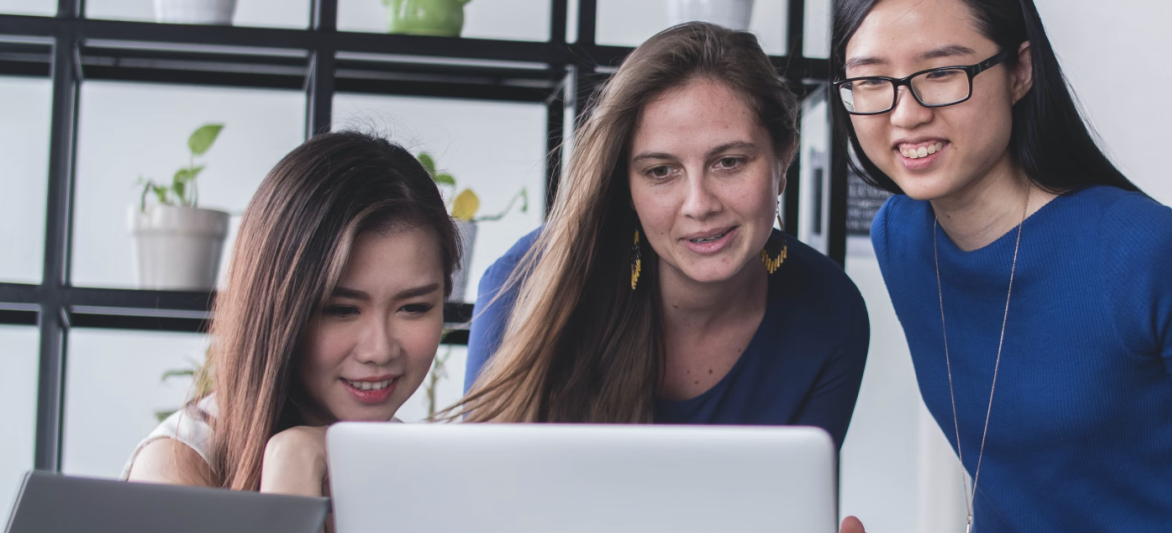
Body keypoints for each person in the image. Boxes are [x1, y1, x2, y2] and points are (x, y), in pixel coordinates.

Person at [833, 0, 1172, 531]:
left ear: (1020, 71)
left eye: (942, 73)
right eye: (871, 81)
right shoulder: (900, 236)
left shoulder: (1143, 250)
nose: (906, 113)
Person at [456, 22, 869, 448]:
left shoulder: (831, 312)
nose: (698, 203)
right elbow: (484, 496)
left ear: (783, 158)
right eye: (660, 171)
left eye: (729, 162)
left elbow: (794, 507)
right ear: (626, 187)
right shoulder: (526, 283)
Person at [124, 131, 460, 499]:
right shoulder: (176, 467)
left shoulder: (424, 470)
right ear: (275, 310)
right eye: (342, 310)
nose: (380, 350)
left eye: (414, 308)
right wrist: (292, 467)